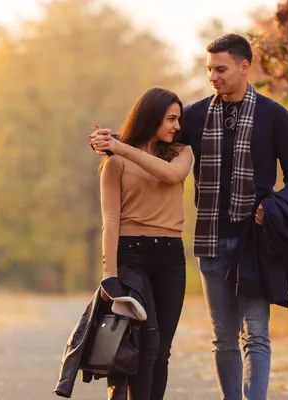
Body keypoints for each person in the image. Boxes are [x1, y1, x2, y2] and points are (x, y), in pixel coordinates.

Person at [90, 33, 288, 400]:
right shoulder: (194, 116)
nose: (212, 75)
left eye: (220, 68)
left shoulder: (275, 116)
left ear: (245, 68)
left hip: (255, 244)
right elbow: (154, 142)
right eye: (209, 68)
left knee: (256, 332)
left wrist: (274, 205)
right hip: (210, 242)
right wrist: (110, 140)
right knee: (222, 337)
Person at [93, 87, 194, 399]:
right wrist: (110, 274)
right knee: (146, 343)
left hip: (170, 259)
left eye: (179, 119)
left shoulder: (181, 153)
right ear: (152, 118)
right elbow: (110, 221)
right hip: (131, 256)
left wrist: (121, 147)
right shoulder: (115, 164)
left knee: (162, 348)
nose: (177, 126)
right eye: (170, 119)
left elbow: (170, 175)